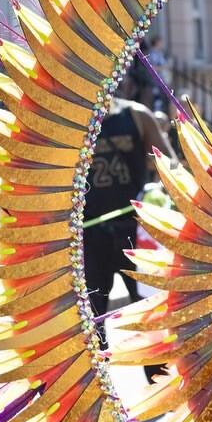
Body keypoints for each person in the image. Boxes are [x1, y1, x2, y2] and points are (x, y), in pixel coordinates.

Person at [83, 76, 171, 338]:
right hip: (90, 237)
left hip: (136, 232)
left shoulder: (137, 116)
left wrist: (158, 190)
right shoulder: (74, 127)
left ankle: (157, 365)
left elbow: (169, 165)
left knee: (152, 319)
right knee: (89, 327)